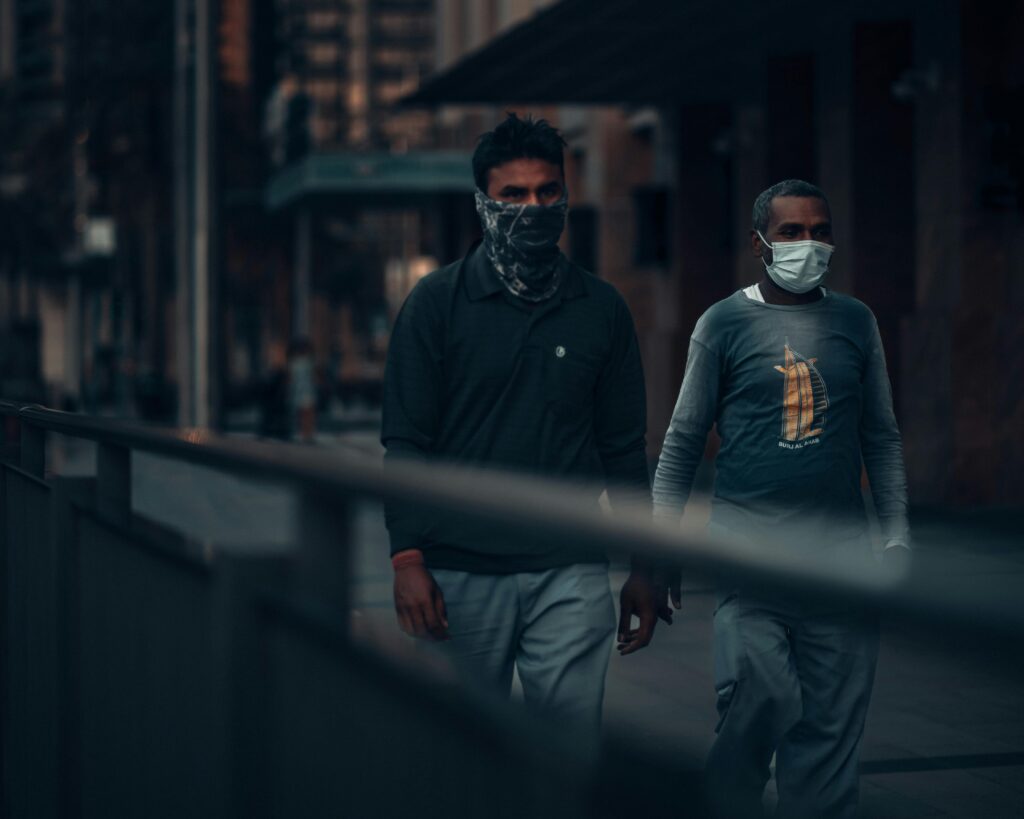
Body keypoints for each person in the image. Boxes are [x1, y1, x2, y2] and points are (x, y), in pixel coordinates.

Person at [381, 113, 666, 732]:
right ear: (483, 202)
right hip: (459, 571)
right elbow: (405, 442)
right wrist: (407, 560)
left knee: (568, 756)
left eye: (547, 191)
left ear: (565, 194)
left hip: (570, 568)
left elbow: (623, 448)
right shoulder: (435, 304)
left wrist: (645, 565)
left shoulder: (601, 309)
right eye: (513, 194)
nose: (533, 208)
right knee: (460, 753)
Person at [652, 179, 910, 818]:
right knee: (761, 696)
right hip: (751, 558)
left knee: (829, 734)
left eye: (820, 231)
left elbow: (880, 435)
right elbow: (682, 441)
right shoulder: (722, 323)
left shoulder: (855, 321)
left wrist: (896, 536)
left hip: (841, 559)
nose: (808, 245)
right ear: (758, 243)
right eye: (791, 232)